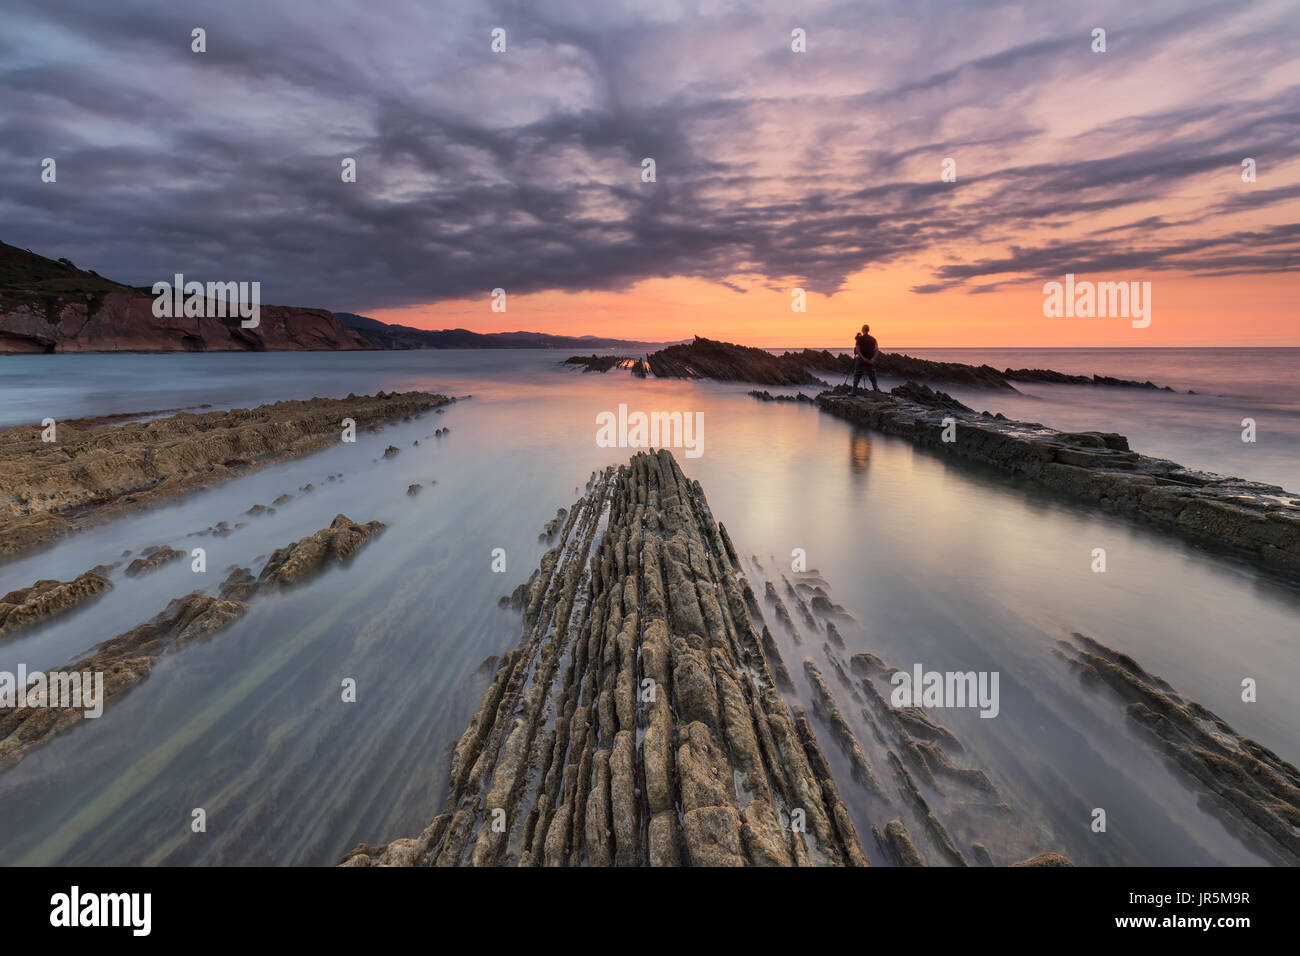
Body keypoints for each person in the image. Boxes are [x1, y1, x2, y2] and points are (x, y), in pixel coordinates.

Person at [852, 323, 879, 393]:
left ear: (863, 330)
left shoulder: (860, 339)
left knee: (857, 374)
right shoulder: (873, 339)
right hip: (870, 359)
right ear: (868, 330)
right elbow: (876, 350)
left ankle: (854, 392)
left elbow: (857, 351)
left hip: (861, 359)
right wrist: (872, 359)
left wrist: (863, 358)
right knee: (872, 375)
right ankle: (875, 389)